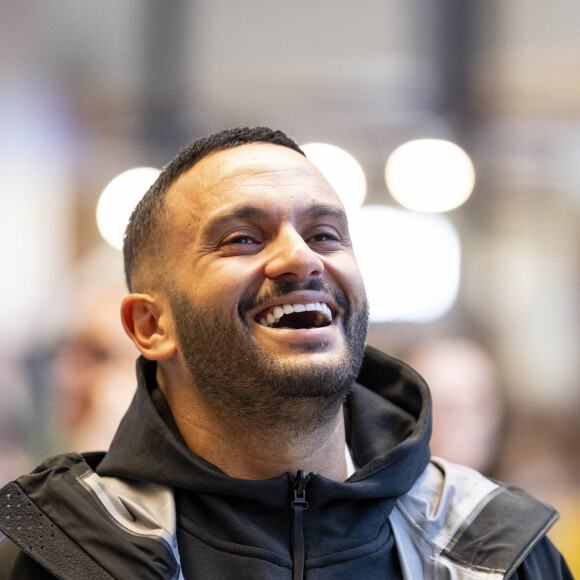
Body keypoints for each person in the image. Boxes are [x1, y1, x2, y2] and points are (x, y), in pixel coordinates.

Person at [0, 127, 572, 579]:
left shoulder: (496, 548)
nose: (302, 259)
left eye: (325, 234)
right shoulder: (45, 549)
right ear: (150, 325)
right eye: (242, 238)